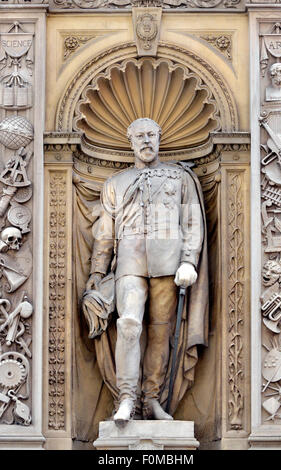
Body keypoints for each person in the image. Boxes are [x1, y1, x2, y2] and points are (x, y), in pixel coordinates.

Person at [85, 118, 207, 423]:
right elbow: (105, 233)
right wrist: (98, 273)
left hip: (169, 263)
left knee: (160, 333)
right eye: (139, 135)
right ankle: (126, 398)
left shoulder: (180, 178)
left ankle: (152, 398)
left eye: (151, 134)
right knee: (128, 325)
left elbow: (192, 223)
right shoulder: (116, 183)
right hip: (129, 262)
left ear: (160, 138)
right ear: (130, 141)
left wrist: (189, 261)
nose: (146, 140)